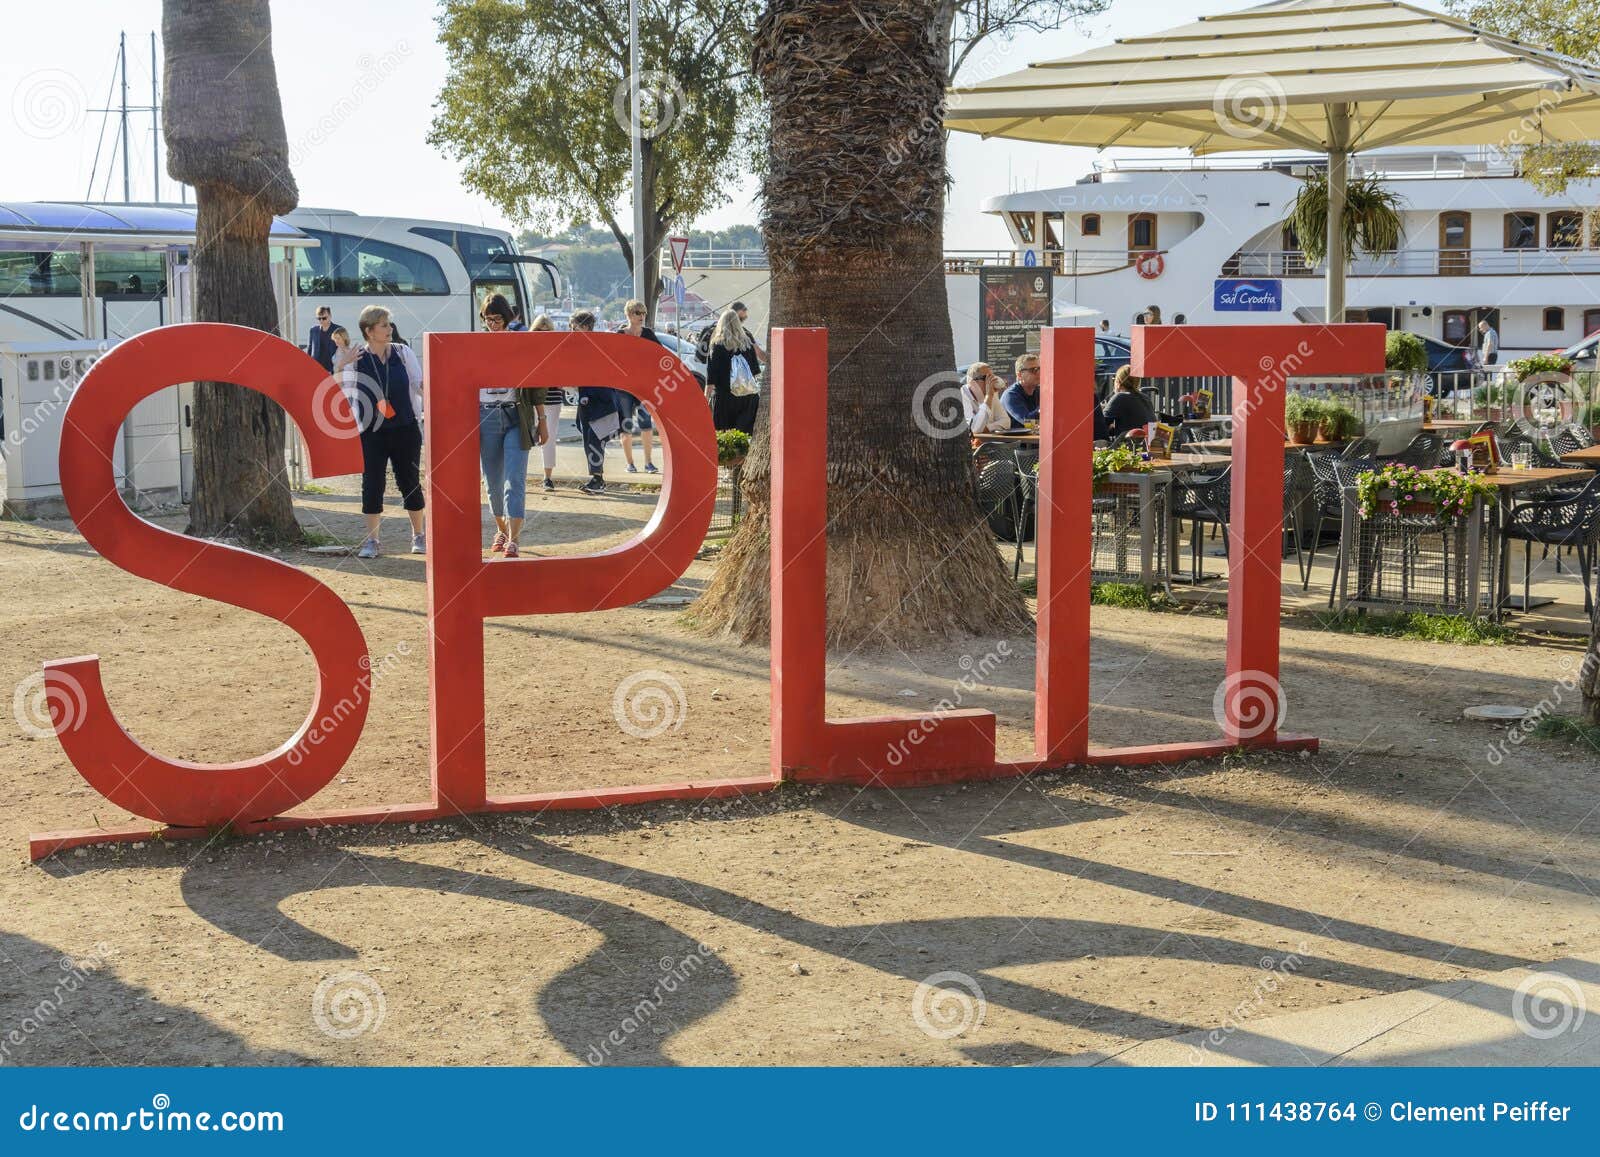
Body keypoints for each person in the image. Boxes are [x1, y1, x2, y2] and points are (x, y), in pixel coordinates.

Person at [344, 305, 425, 559]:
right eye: (384, 325)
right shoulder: (356, 358)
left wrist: (437, 390)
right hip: (372, 432)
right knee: (372, 483)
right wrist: (341, 365)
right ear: (369, 331)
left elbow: (419, 384)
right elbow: (342, 391)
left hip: (405, 428)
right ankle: (373, 541)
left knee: (409, 481)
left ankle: (419, 535)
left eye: (389, 324)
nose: (390, 329)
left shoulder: (402, 352)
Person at [478, 294, 547, 558]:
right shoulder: (476, 345)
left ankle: (514, 539)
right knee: (492, 481)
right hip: (486, 414)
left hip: (516, 414)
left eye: (498, 319)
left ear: (508, 318)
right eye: (488, 319)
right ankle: (502, 530)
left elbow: (536, 386)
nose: (493, 324)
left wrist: (542, 421)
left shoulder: (520, 344)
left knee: (514, 479)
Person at [1003, 353, 1109, 440]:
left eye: (1040, 369)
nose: (1039, 373)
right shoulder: (1011, 395)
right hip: (1018, 448)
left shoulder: (1039, 391)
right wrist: (1048, 404)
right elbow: (1028, 422)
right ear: (1019, 374)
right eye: (1033, 370)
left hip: (1036, 443)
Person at [570, 310, 620, 495]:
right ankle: (597, 479)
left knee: (594, 440)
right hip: (589, 403)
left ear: (585, 327)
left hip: (601, 402)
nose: (572, 331)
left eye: (575, 328)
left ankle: (597, 480)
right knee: (590, 439)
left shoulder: (598, 346)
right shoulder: (580, 348)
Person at [617, 299, 660, 474]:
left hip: (644, 386)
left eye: (643, 313)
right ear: (628, 314)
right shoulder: (620, 334)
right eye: (637, 313)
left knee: (646, 423)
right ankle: (630, 463)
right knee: (625, 426)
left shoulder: (648, 334)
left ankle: (649, 463)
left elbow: (659, 354)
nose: (641, 316)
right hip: (624, 388)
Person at [706, 307, 762, 434]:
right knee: (744, 436)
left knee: (725, 437)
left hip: (724, 399)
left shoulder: (717, 346)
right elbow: (755, 372)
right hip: (748, 399)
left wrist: (706, 398)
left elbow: (711, 379)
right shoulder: (747, 344)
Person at [529, 314, 563, 492]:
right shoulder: (528, 350)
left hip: (552, 399)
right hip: (529, 399)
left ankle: (547, 477)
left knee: (549, 438)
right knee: (522, 438)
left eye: (547, 331)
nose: (542, 333)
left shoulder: (557, 351)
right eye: (538, 330)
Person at [1103, 365, 1155, 438]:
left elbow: (1101, 425)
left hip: (1128, 443)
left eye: (1114, 379)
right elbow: (1135, 423)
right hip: (1147, 441)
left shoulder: (1120, 397)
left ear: (1118, 382)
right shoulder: (1146, 398)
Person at [962, 362, 1010, 435]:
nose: (990, 382)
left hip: (990, 441)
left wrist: (987, 428)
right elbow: (974, 428)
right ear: (973, 382)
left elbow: (1006, 421)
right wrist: (989, 396)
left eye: (991, 377)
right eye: (986, 378)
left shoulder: (991, 393)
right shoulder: (962, 396)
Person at [730, 301, 768, 365]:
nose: (746, 316)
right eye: (745, 312)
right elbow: (760, 354)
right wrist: (774, 360)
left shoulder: (719, 330)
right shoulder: (745, 333)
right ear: (739, 312)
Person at [308, 306, 338, 374]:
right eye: (319, 318)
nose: (321, 320)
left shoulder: (338, 330)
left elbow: (343, 348)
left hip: (333, 369)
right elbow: (310, 349)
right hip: (316, 369)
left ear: (330, 316)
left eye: (324, 318)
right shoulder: (313, 330)